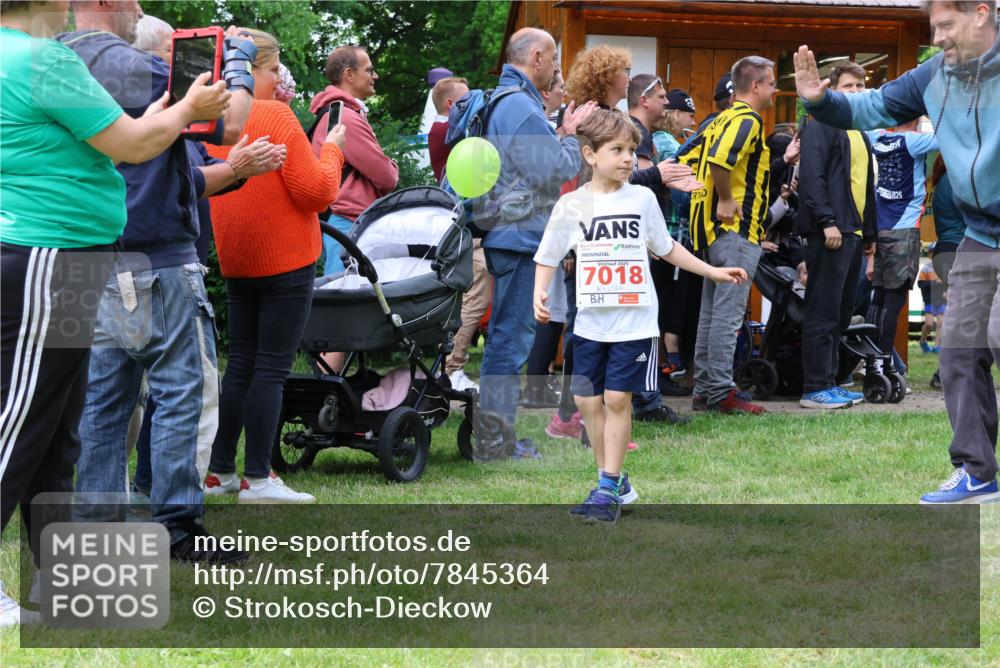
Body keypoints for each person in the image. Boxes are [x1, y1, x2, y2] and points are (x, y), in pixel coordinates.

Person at [0, 0, 231, 626]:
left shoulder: (26, 58)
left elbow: (122, 135)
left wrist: (171, 114)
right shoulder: (41, 60)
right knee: (20, 421)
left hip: (69, 261)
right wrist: (191, 109)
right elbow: (131, 146)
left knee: (57, 429)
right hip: (49, 257)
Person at [59, 0, 261, 564]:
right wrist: (238, 58)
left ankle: (99, 531)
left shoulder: (51, 65)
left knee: (100, 405)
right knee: (182, 395)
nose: (140, 8)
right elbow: (233, 121)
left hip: (83, 259)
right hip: (158, 260)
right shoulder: (129, 66)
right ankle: (176, 527)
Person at [793, 0, 999, 503]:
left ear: (981, 13)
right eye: (934, 27)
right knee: (958, 354)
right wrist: (821, 102)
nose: (940, 37)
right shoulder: (935, 74)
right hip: (978, 236)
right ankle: (977, 473)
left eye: (946, 26)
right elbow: (874, 106)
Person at [533, 109, 747, 523]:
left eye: (632, 150)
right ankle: (611, 479)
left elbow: (666, 247)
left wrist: (712, 271)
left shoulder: (642, 198)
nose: (629, 158)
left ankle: (607, 487)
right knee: (585, 401)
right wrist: (540, 294)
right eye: (618, 150)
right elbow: (548, 255)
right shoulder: (571, 205)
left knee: (617, 398)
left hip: (635, 322)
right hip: (590, 322)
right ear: (590, 155)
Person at [128, 16, 284, 504]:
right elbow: (187, 178)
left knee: (123, 400)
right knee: (188, 393)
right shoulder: (166, 99)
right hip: (167, 263)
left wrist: (231, 170)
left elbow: (191, 172)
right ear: (162, 56)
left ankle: (136, 494)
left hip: (124, 264)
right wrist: (240, 166)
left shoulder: (134, 104)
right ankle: (176, 514)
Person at [204, 29, 346, 504]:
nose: (277, 79)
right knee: (271, 367)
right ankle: (258, 477)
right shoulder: (277, 116)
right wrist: (334, 148)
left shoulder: (213, 118)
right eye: (272, 70)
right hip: (285, 257)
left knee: (240, 364)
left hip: (238, 257)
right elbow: (317, 192)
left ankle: (219, 470)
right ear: (254, 70)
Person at [477, 27, 597, 457]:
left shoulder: (507, 102)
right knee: (510, 341)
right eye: (555, 61)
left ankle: (495, 435)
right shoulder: (521, 108)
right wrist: (569, 135)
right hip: (520, 238)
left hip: (510, 235)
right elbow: (553, 173)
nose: (557, 70)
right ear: (536, 57)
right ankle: (494, 441)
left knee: (507, 338)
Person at [688, 56, 777, 414]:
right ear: (755, 87)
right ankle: (721, 392)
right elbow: (720, 162)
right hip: (736, 232)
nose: (775, 90)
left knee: (711, 313)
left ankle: (705, 389)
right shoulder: (747, 120)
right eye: (771, 83)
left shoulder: (718, 120)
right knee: (727, 315)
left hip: (710, 234)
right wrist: (724, 197)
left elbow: (686, 160)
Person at [794, 62, 876, 410]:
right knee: (823, 311)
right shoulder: (820, 123)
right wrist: (827, 221)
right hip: (831, 231)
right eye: (848, 86)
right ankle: (814, 387)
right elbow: (812, 178)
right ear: (831, 89)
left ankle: (831, 382)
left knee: (841, 314)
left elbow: (864, 187)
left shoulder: (858, 129)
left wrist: (869, 233)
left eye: (860, 86)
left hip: (854, 233)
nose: (855, 92)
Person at [626, 74, 697, 425]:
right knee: (643, 321)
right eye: (662, 96)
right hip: (635, 243)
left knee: (647, 319)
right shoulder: (636, 133)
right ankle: (646, 401)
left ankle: (646, 398)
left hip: (644, 241)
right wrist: (664, 176)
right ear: (644, 98)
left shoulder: (644, 133)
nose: (667, 103)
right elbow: (636, 186)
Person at [311, 45, 399, 276]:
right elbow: (387, 177)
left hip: (340, 221)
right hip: (347, 223)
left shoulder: (334, 113)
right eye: (369, 70)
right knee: (344, 298)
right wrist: (392, 166)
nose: (375, 76)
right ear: (349, 75)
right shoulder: (345, 117)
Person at [865, 118, 939, 370]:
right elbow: (946, 136)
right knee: (894, 300)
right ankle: (884, 361)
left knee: (880, 296)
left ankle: (872, 359)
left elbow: (864, 128)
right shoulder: (915, 141)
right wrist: (928, 121)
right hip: (905, 228)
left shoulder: (877, 138)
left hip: (881, 226)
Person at [428, 76, 469, 183]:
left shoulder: (441, 128)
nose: (471, 103)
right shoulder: (444, 129)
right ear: (450, 104)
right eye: (466, 99)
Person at [564, 44, 631, 110]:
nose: (629, 78)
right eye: (625, 71)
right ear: (608, 76)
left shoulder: (587, 113)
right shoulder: (591, 117)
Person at [917, 251, 944, 353]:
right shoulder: (925, 268)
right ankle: (923, 342)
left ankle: (937, 346)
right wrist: (934, 282)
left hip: (941, 300)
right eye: (932, 253)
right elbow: (921, 285)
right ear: (929, 255)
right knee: (929, 323)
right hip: (929, 300)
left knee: (941, 323)